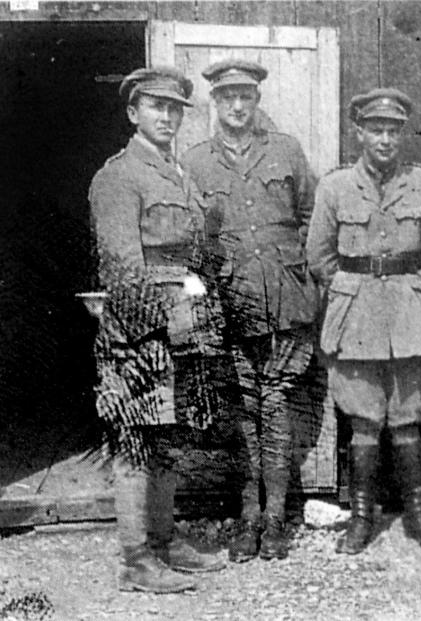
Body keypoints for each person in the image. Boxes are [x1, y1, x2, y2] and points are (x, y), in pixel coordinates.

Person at [88, 66, 225, 593]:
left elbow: (189, 259)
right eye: (155, 107)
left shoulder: (179, 177)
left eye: (174, 109)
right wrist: (159, 327)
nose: (166, 116)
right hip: (139, 333)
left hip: (181, 328)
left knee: (166, 440)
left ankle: (165, 542)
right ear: (132, 113)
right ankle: (134, 559)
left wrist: (196, 312)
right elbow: (121, 269)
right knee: (136, 444)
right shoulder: (119, 176)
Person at [183, 59, 319, 562]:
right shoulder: (195, 163)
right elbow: (191, 243)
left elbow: (310, 216)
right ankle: (246, 518)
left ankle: (276, 518)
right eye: (227, 98)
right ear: (214, 104)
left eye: (246, 97)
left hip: (284, 303)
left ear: (257, 101)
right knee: (243, 414)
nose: (237, 106)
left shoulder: (285, 150)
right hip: (230, 306)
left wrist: (297, 270)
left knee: (277, 407)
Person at [306, 87, 421, 554]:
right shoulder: (335, 186)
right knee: (364, 421)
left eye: (393, 130)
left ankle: (418, 515)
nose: (385, 139)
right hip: (357, 317)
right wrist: (357, 289)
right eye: (376, 130)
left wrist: (408, 288)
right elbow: (320, 257)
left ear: (402, 135)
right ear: (360, 133)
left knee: (408, 418)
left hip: (409, 312)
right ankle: (361, 518)